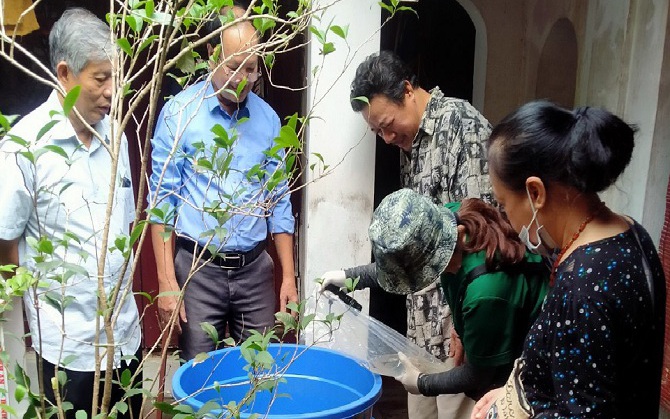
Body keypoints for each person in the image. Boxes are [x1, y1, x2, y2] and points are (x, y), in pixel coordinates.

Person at [322, 50, 493, 418]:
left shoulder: (464, 127)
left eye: (387, 123)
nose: (385, 137)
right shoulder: (410, 143)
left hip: (456, 334)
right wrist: (350, 277)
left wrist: (462, 328)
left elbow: (484, 231)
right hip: (421, 331)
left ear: (408, 90)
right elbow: (413, 247)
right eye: (376, 131)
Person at [471, 101, 666, 419]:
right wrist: (517, 393)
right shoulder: (631, 233)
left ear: (535, 193)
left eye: (504, 203)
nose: (506, 217)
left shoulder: (582, 284)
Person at [0, 8, 141, 418]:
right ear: (64, 74)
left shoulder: (116, 135)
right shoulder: (24, 146)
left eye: (116, 77)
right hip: (67, 350)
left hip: (125, 339)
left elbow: (125, 226)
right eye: (100, 78)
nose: (113, 92)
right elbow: (6, 245)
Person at [148, 5, 297, 362]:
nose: (244, 79)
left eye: (252, 68)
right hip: (197, 270)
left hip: (254, 271)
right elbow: (162, 203)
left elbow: (279, 202)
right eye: (234, 67)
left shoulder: (268, 120)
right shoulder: (180, 115)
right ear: (212, 55)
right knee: (200, 377)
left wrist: (289, 278)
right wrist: (168, 283)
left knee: (259, 373)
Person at [322, 189, 548, 401]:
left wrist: (422, 383)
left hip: (532, 356)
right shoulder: (448, 224)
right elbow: (402, 265)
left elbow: (479, 375)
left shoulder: (485, 293)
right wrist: (349, 277)